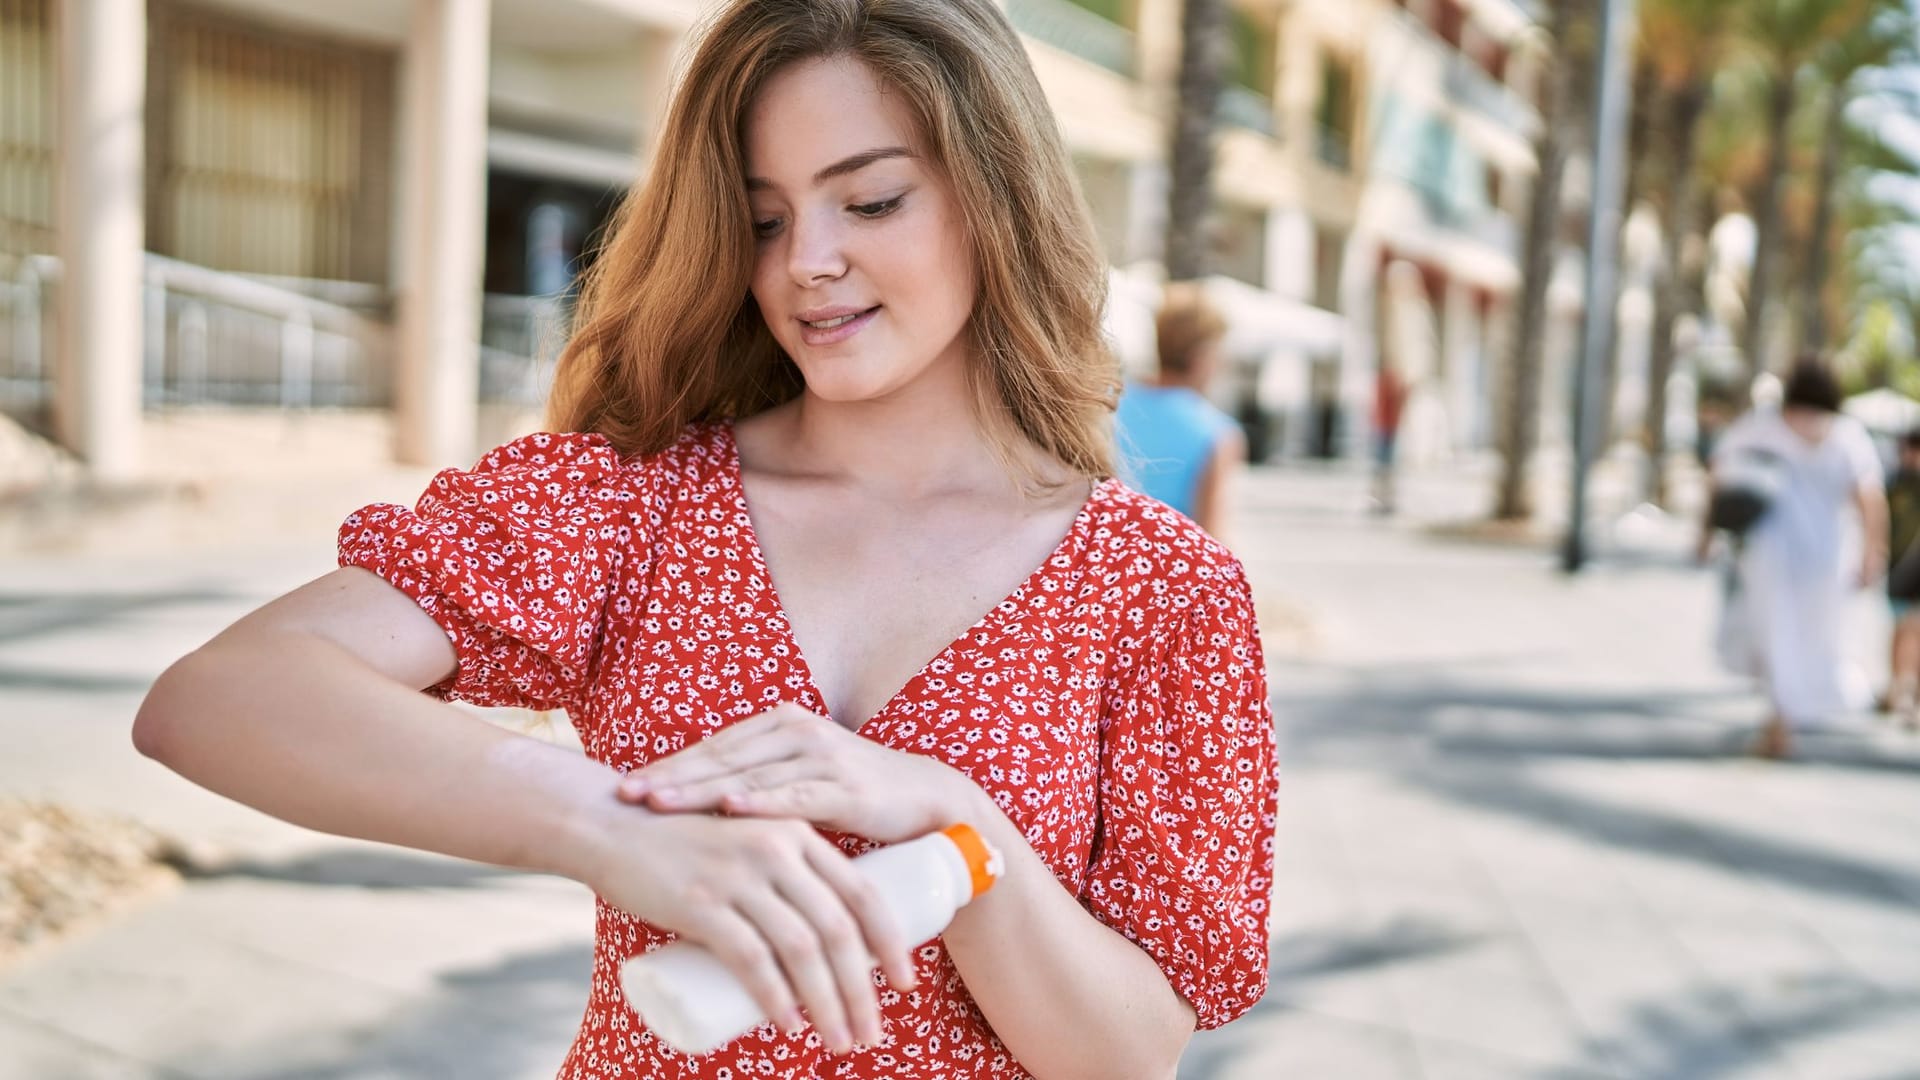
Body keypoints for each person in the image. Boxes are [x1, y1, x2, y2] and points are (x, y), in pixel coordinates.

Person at [131, 3, 1279, 1079]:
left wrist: (961, 825)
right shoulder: (632, 503)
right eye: (764, 217)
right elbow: (217, 700)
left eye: (869, 201)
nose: (804, 263)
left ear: (999, 196)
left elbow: (1130, 1054)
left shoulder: (1160, 589)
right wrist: (609, 827)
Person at [1701, 358, 1888, 758]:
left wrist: (1705, 532)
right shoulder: (1835, 433)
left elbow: (1718, 471)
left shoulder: (1781, 428)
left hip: (1798, 557)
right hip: (1800, 556)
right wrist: (1874, 552)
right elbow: (1870, 500)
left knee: (1790, 637)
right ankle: (1783, 718)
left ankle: (1783, 718)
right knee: (1791, 637)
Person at [1113, 284, 1245, 540]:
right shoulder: (1217, 433)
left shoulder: (1107, 405)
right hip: (1167, 572)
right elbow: (1211, 536)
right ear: (1201, 355)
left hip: (1100, 565)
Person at [1883, 430, 1920, 727]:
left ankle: (1905, 691)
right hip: (1899, 568)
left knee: (1910, 628)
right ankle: (1899, 687)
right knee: (1901, 628)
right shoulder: (1896, 482)